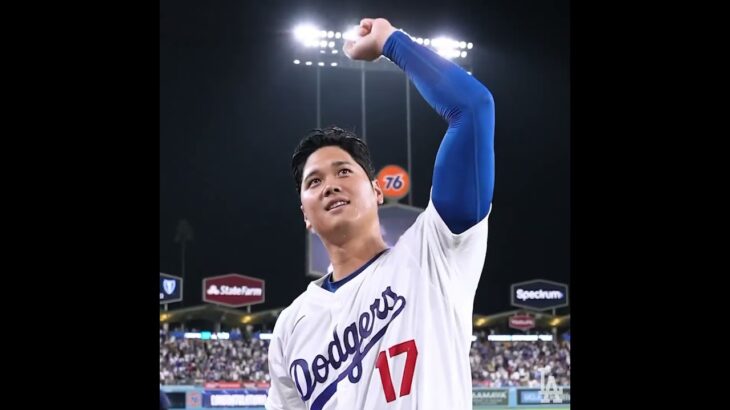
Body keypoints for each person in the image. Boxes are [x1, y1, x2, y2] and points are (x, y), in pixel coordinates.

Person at [265, 17, 495, 410]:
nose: (330, 185)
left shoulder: (434, 254)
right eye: (313, 181)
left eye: (343, 171)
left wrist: (391, 41)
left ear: (376, 192)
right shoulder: (291, 325)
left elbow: (472, 108)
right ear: (304, 212)